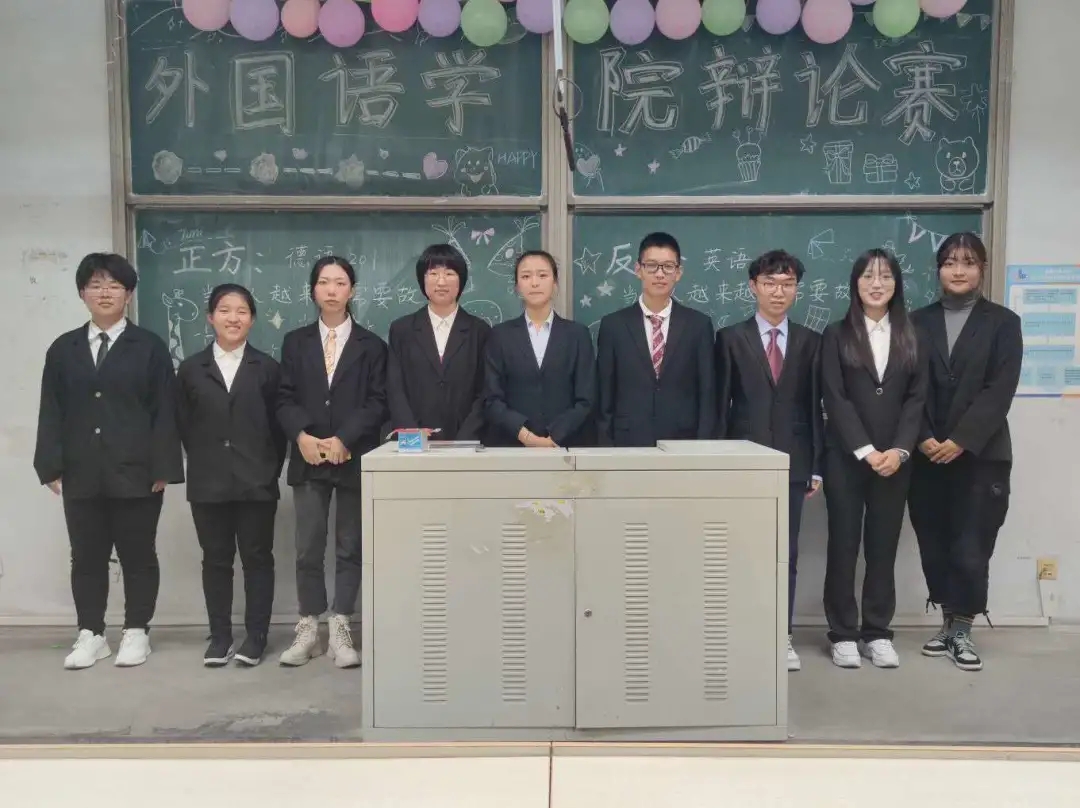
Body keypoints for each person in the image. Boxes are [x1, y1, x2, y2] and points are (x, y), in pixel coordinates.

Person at [34, 252, 183, 670]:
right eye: (96, 284)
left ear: (129, 294)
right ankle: (91, 633)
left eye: (114, 285)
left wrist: (163, 467)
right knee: (86, 557)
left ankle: (136, 631)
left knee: (138, 555)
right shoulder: (63, 349)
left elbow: (165, 410)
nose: (105, 293)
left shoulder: (149, 347)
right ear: (82, 292)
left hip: (136, 471)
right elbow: (51, 409)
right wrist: (50, 465)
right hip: (81, 470)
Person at [908, 233, 1022, 672]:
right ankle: (946, 622)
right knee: (934, 544)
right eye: (950, 262)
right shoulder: (915, 322)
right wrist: (922, 436)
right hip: (927, 456)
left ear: (982, 269)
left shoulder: (1003, 323)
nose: (959, 270)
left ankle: (963, 628)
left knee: (972, 547)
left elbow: (1000, 390)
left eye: (968, 262)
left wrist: (961, 439)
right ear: (938, 269)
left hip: (981, 456)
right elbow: (908, 387)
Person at [715, 250, 823, 672]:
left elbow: (815, 408)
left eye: (787, 284)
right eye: (770, 283)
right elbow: (719, 407)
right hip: (742, 463)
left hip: (793, 464)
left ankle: (782, 635)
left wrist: (815, 466)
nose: (779, 292)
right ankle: (741, 632)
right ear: (753, 287)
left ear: (797, 289)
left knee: (786, 554)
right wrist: (718, 462)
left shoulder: (811, 341)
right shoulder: (730, 338)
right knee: (739, 553)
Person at [277, 256, 388, 669]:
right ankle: (308, 626)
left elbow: (378, 400)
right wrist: (302, 436)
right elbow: (283, 397)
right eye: (324, 282)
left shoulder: (372, 346)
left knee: (349, 546)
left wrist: (345, 438)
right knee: (307, 546)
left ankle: (341, 625)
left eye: (340, 282)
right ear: (313, 290)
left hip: (352, 456)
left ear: (351, 290)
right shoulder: (295, 342)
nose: (331, 290)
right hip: (308, 458)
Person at [820, 249, 927, 669]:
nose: (876, 284)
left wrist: (899, 450)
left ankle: (877, 632)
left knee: (883, 547)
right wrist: (865, 450)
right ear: (855, 284)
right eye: (867, 276)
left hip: (895, 462)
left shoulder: (913, 334)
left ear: (897, 284)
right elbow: (835, 397)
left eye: (885, 276)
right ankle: (843, 633)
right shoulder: (835, 334)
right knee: (843, 545)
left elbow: (917, 398)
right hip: (847, 459)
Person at [176, 284, 287, 668]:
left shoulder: (267, 369)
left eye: (242, 311)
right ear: (211, 318)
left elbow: (278, 430)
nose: (233, 318)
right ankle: (220, 636)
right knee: (215, 560)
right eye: (225, 310)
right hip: (208, 482)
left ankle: (256, 636)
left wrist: (266, 469)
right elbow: (184, 424)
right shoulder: (191, 369)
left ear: (252, 319)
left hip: (256, 480)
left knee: (257, 559)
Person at [596, 232, 715, 446]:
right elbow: (604, 394)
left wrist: (703, 446)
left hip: (683, 442)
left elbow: (707, 393)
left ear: (678, 273)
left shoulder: (698, 325)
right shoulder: (613, 325)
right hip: (627, 442)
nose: (660, 274)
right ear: (638, 269)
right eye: (651, 266)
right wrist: (605, 447)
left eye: (668, 266)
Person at [484, 251, 595, 447]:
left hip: (565, 447)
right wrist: (526, 436)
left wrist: (554, 436)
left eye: (542, 275)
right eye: (526, 276)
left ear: (555, 282)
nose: (534, 283)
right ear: (517, 286)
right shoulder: (500, 335)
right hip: (511, 445)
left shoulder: (577, 335)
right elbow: (492, 398)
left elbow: (587, 399)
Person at [386, 244, 490, 442]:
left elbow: (485, 392)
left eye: (449, 273)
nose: (441, 281)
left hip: (466, 442)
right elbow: (395, 388)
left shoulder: (480, 331)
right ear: (422, 279)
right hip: (413, 441)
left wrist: (465, 439)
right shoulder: (402, 330)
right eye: (433, 273)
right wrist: (412, 434)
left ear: (461, 280)